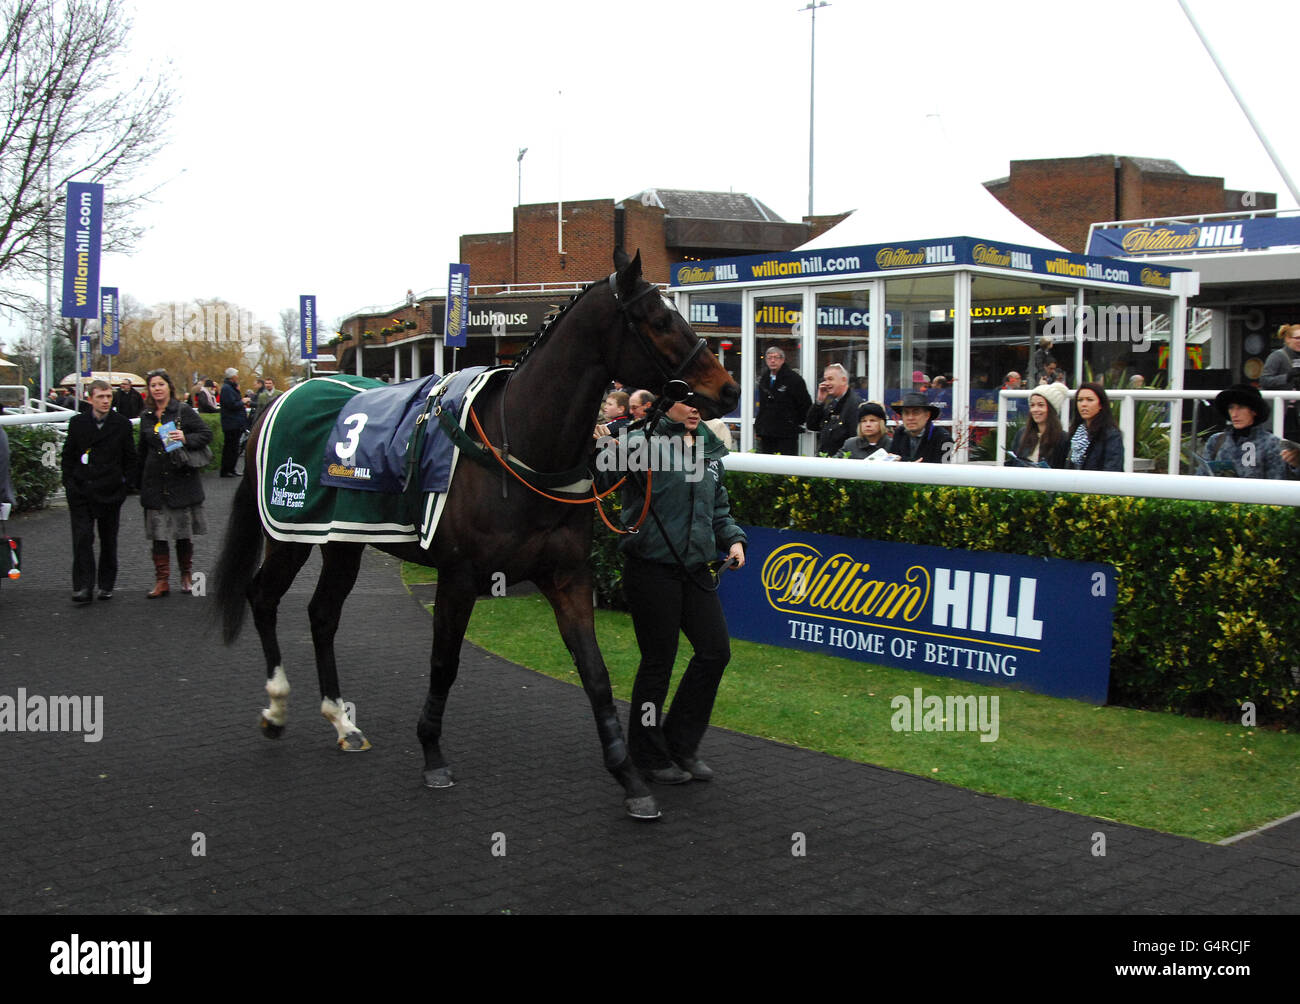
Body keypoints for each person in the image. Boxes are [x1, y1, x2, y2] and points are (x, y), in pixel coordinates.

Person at [613, 400, 747, 785]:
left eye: (701, 404)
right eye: (688, 402)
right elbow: (600, 481)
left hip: (695, 567)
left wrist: (733, 540)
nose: (696, 410)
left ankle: (680, 744)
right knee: (659, 661)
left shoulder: (708, 446)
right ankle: (647, 754)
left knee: (715, 651)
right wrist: (601, 443)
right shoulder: (640, 443)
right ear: (665, 403)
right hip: (650, 568)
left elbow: (718, 508)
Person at [60, 380, 138, 602]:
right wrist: (69, 483)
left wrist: (125, 486)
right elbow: (68, 456)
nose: (105, 401)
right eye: (100, 397)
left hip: (110, 491)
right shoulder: (78, 423)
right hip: (82, 490)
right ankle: (83, 586)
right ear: (90, 398)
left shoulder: (121, 424)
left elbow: (130, 457)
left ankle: (106, 584)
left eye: (108, 397)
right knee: (82, 539)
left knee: (108, 539)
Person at [138, 368, 213, 598]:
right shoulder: (147, 415)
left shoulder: (183, 411)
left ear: (169, 387)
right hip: (155, 481)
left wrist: (185, 438)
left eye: (161, 384)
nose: (157, 389)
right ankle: (161, 581)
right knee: (158, 534)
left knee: (182, 532)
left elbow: (205, 433)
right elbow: (142, 449)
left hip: (181, 480)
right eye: (153, 385)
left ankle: (186, 576)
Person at [1202, 384, 1299, 479]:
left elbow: (1277, 485)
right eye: (1231, 407)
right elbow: (1202, 477)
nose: (1234, 414)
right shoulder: (1215, 441)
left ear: (1254, 411)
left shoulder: (1271, 444)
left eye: (1240, 407)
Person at [754, 346, 811, 455]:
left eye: (776, 357)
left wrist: (793, 422)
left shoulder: (794, 379)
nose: (772, 361)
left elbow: (805, 404)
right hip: (766, 433)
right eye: (769, 358)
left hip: (786, 434)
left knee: (786, 467)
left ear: (783, 360)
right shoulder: (764, 379)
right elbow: (763, 406)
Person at [1055, 382, 1122, 471]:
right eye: (1080, 400)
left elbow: (1113, 468)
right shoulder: (1075, 433)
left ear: (1101, 404)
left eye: (1089, 400)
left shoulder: (1111, 435)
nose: (1084, 404)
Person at [805, 363, 860, 456]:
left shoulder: (854, 404)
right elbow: (812, 425)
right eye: (825, 379)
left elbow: (855, 440)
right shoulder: (832, 403)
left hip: (841, 464)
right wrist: (819, 402)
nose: (826, 383)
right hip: (826, 460)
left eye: (830, 379)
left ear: (843, 380)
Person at [1007, 383, 1067, 467]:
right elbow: (1011, 463)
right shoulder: (1022, 433)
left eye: (1041, 405)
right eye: (1032, 405)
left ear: (1051, 409)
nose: (1035, 410)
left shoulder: (1063, 438)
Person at [1260, 323, 1300, 441]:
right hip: (1279, 412)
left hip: (1296, 413)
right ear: (1287, 339)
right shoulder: (1277, 356)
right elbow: (1264, 380)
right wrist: (1287, 377)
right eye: (1297, 338)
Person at [888, 391, 953, 463]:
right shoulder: (899, 433)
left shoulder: (943, 437)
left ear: (927, 415)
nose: (910, 418)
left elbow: (943, 468)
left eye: (916, 413)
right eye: (906, 413)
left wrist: (904, 461)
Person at [218, 367, 246, 477]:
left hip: (234, 423)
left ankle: (231, 468)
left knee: (234, 448)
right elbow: (231, 405)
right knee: (230, 448)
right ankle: (226, 469)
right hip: (231, 423)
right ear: (233, 377)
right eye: (236, 375)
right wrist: (242, 402)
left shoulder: (229, 388)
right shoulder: (227, 389)